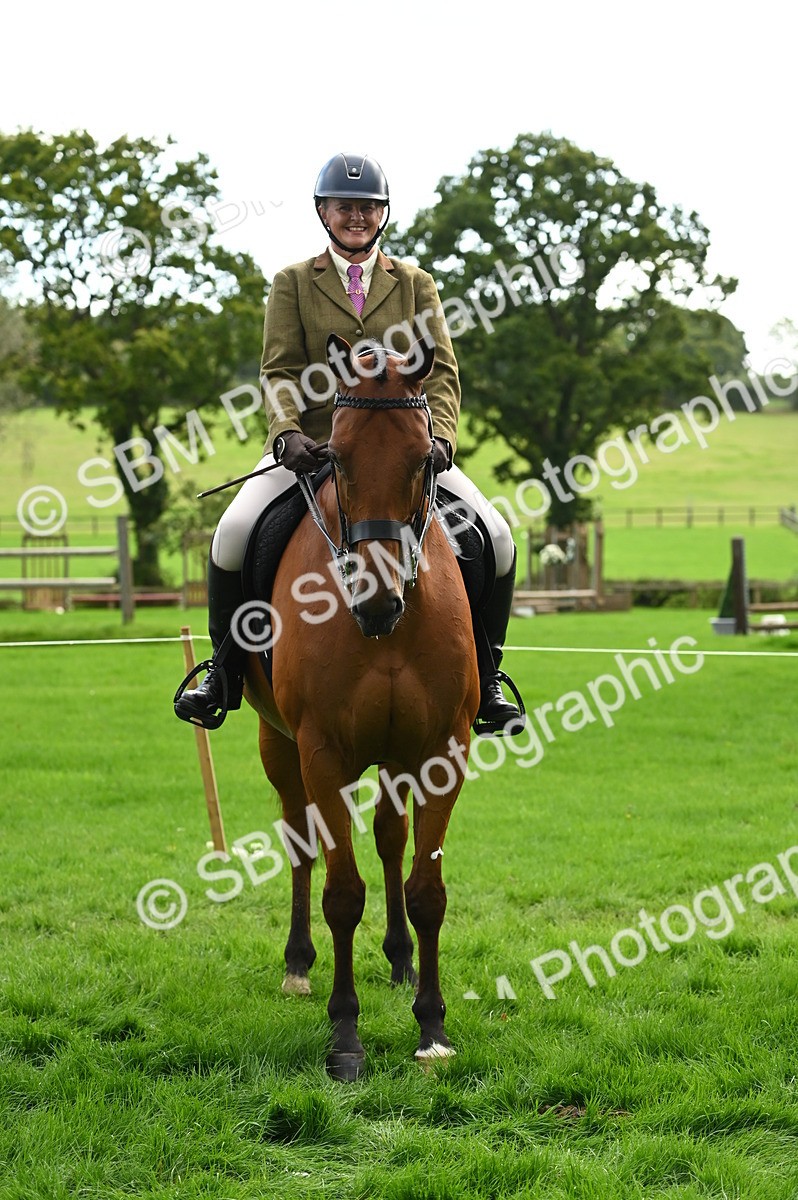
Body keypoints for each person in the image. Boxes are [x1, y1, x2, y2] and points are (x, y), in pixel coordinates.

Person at [174, 153, 524, 734]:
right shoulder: (292, 283)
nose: (357, 217)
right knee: (232, 535)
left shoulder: (415, 285)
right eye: (346, 207)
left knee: (501, 538)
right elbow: (281, 370)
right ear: (324, 213)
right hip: (312, 447)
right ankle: (225, 672)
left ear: (382, 214)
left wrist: (440, 439)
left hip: (405, 452)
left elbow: (441, 373)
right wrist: (285, 435)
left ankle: (487, 680)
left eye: (368, 208)